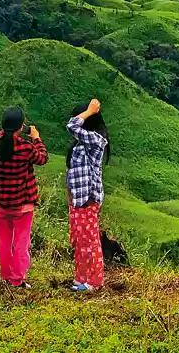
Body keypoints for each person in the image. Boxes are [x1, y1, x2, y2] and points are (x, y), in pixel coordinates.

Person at [0, 107, 48, 288]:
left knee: (5, 241)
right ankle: (17, 279)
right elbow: (42, 158)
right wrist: (36, 139)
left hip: (1, 203)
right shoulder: (25, 147)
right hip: (23, 204)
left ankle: (6, 276)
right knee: (21, 242)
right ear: (20, 126)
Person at [66, 99, 110, 292]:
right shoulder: (82, 142)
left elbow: (71, 125)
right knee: (79, 241)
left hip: (88, 198)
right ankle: (81, 277)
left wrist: (89, 111)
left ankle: (95, 280)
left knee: (90, 241)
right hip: (77, 198)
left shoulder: (96, 140)